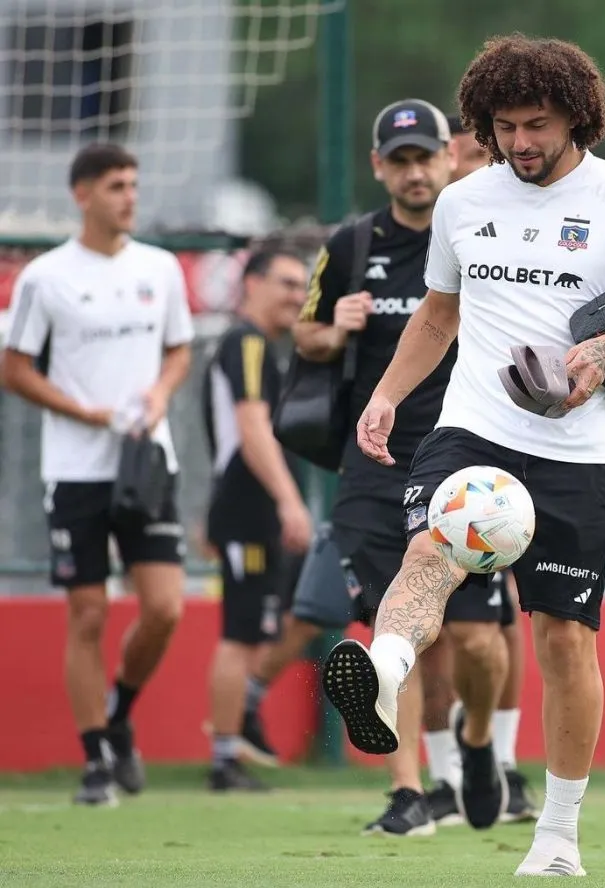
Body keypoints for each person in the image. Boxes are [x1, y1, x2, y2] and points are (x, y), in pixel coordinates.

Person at [322, 35, 605, 876]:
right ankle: (386, 670)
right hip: (473, 431)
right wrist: (386, 396)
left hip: (577, 453)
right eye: (504, 126)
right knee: (431, 548)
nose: (520, 142)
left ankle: (558, 835)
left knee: (566, 639)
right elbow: (437, 316)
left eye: (537, 124)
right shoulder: (465, 204)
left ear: (579, 116)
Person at [241, 98, 508, 836]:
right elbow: (304, 334)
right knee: (394, 625)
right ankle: (409, 793)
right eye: (400, 160)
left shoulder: (483, 236)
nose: (415, 172)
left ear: (450, 158)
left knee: (477, 640)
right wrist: (335, 329)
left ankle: (478, 751)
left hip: (466, 457)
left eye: (425, 157)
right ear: (377, 168)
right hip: (377, 461)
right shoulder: (354, 242)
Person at [2, 143, 194, 806]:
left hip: (146, 459)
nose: (129, 197)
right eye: (116, 186)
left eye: (134, 184)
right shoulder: (46, 277)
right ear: (82, 194)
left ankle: (118, 715)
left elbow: (178, 348)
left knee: (166, 608)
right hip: (77, 469)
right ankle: (93, 761)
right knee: (87, 612)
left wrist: (162, 395)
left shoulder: (161, 268)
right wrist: (85, 412)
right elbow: (15, 369)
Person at [417, 114, 536, 827]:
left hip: (492, 447)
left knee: (494, 628)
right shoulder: (409, 232)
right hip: (412, 445)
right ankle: (437, 777)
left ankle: (500, 757)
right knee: (421, 614)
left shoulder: (518, 221)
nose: (457, 164)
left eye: (466, 153)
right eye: (450, 153)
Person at [201, 248, 313, 791]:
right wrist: (290, 501)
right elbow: (251, 428)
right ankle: (224, 758)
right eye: (286, 283)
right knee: (240, 633)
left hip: (260, 510)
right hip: (247, 509)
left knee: (311, 604)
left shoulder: (265, 348)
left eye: (302, 285)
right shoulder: (244, 342)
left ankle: (244, 709)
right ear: (251, 283)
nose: (296, 295)